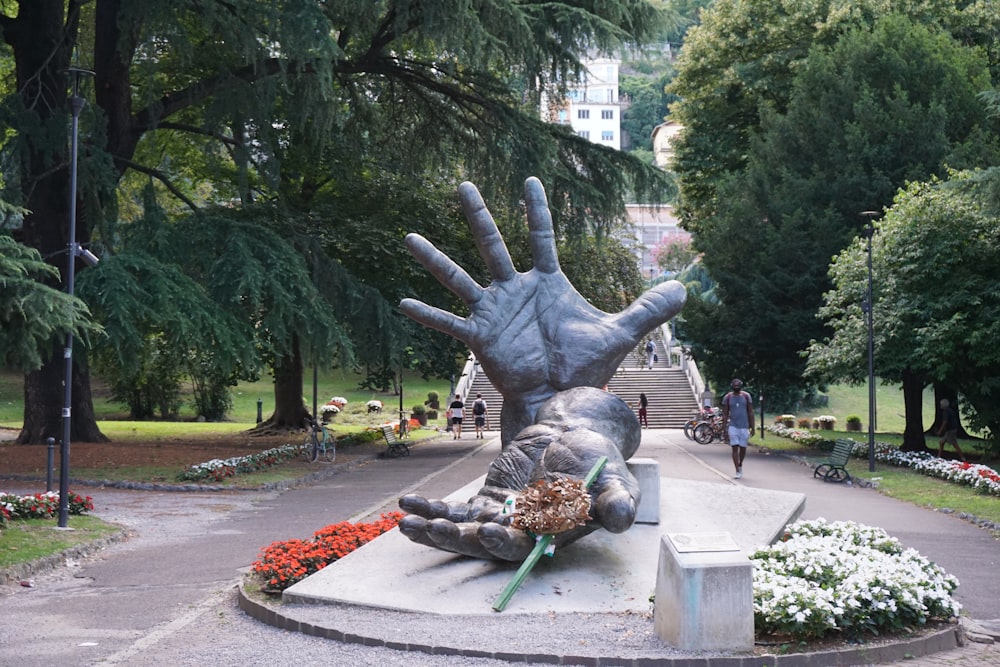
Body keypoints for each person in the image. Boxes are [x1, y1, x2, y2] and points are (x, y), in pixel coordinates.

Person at [397, 177, 687, 559]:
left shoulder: (585, 441)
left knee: (591, 473)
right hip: (547, 432)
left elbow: (573, 445)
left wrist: (559, 507)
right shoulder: (556, 432)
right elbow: (547, 439)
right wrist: (525, 396)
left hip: (573, 434)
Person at [721, 379, 754, 479]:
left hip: (744, 426)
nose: (736, 387)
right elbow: (725, 413)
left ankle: (740, 464)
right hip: (733, 426)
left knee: (743, 447)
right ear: (731, 386)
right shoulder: (728, 397)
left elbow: (750, 412)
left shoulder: (746, 396)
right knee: (734, 447)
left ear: (741, 386)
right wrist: (724, 427)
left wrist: (752, 426)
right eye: (734, 386)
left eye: (738, 385)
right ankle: (737, 470)